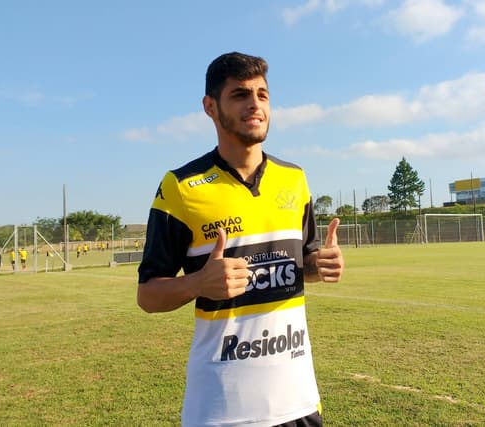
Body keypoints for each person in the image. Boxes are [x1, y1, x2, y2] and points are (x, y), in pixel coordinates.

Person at [137, 52, 344, 427]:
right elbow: (147, 295)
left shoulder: (294, 179)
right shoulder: (181, 187)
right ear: (210, 107)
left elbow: (303, 266)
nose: (255, 105)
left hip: (298, 403)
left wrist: (318, 265)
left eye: (263, 95)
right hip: (222, 410)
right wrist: (199, 282)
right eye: (240, 95)